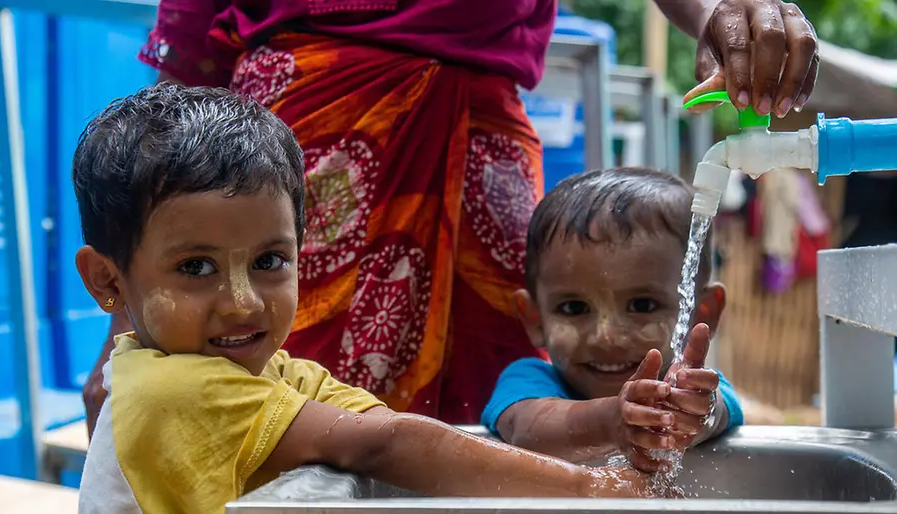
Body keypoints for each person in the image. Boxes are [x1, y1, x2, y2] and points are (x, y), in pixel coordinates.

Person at [81, 0, 819, 435]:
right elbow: (187, 64)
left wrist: (722, 11)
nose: (608, 334)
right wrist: (131, 323)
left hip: (478, 144)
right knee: (264, 420)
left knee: (491, 432)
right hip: (302, 145)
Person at [70, 84, 653, 514]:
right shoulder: (170, 392)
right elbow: (382, 444)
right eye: (196, 267)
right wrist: (593, 490)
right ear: (107, 280)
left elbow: (382, 427)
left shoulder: (267, 372)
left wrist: (610, 424)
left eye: (269, 261)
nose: (242, 303)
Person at [481, 168, 745, 472]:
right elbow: (526, 429)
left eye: (642, 305)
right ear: (535, 319)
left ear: (703, 311)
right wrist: (610, 421)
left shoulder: (694, 387)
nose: (607, 336)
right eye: (574, 308)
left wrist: (693, 414)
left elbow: (714, 412)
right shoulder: (529, 381)